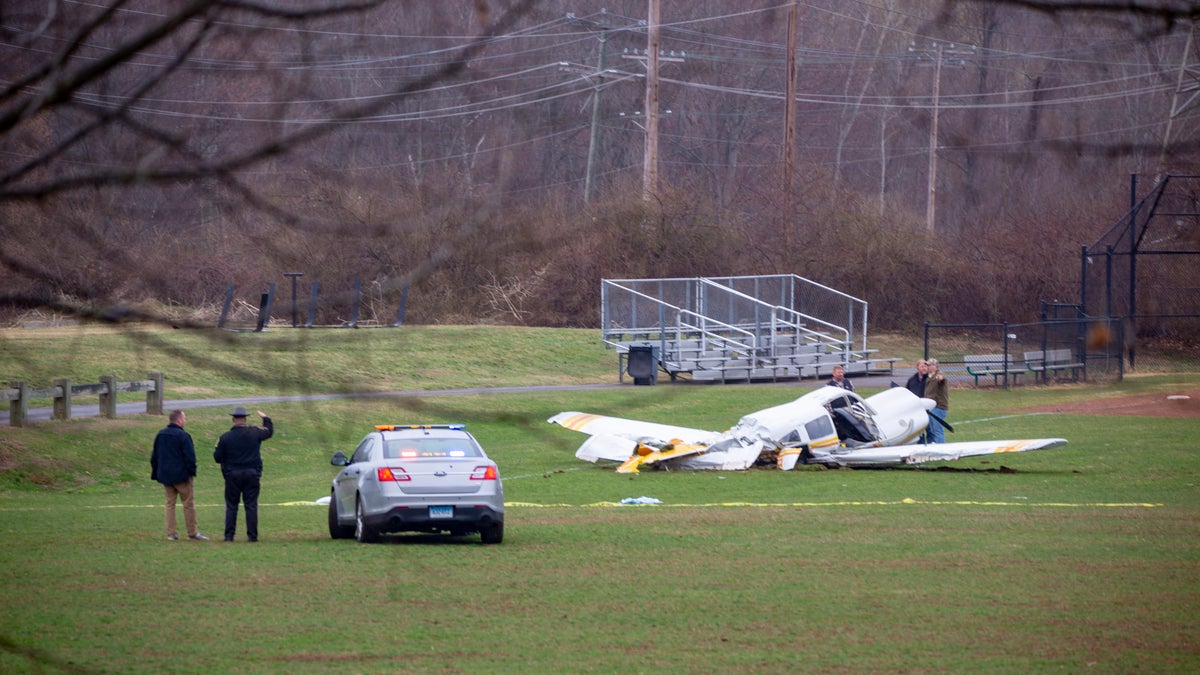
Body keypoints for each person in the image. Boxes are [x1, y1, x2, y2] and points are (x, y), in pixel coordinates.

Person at [213, 406, 274, 542]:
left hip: (232, 474)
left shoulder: (225, 437)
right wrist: (266, 419)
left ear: (233, 420)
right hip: (252, 473)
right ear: (245, 419)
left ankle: (229, 536)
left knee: (231, 506)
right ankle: (252, 536)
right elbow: (269, 432)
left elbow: (217, 457)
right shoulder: (254, 433)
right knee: (251, 505)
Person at [151, 409, 209, 541]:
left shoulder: (161, 435)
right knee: (188, 504)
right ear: (179, 420)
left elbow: (154, 456)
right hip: (182, 476)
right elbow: (190, 457)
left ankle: (171, 533)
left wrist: (157, 472)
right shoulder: (183, 436)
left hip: (166, 475)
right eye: (184, 418)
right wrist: (191, 472)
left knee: (169, 504)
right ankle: (192, 532)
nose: (185, 421)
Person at [924, 359, 950, 443]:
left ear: (935, 366)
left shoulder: (938, 375)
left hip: (939, 407)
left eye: (929, 365)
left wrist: (940, 378)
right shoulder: (929, 377)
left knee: (938, 430)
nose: (927, 367)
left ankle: (941, 450)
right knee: (933, 430)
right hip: (932, 407)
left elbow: (942, 378)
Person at [905, 360, 930, 443]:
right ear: (917, 367)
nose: (924, 368)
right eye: (922, 366)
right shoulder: (912, 380)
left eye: (926, 366)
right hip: (916, 409)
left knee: (931, 431)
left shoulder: (930, 379)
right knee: (919, 433)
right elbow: (907, 392)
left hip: (928, 408)